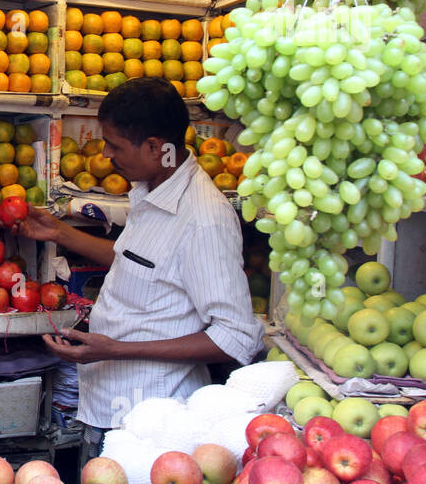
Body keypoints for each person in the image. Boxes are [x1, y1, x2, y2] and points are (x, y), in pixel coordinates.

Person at [13, 77, 264, 457]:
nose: (107, 156)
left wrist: (116, 349)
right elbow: (143, 265)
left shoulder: (203, 220)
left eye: (114, 145)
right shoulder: (152, 190)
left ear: (152, 147)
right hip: (109, 406)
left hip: (152, 425)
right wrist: (61, 233)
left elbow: (236, 339)